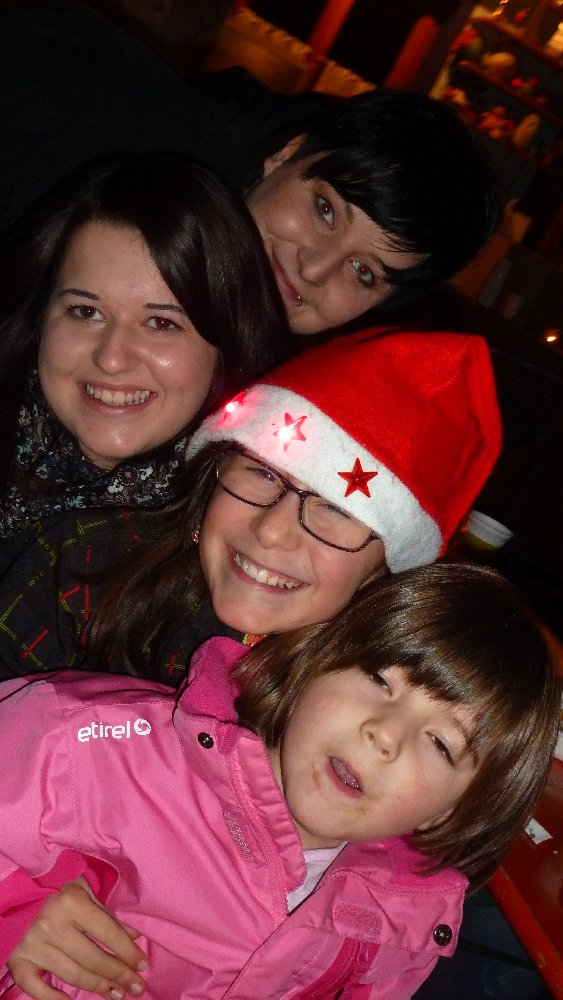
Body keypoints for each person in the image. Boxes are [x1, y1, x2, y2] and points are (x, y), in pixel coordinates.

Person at [0, 563, 559, 999]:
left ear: (450, 810)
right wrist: (15, 911)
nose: (386, 734)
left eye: (441, 743)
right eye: (378, 679)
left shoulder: (402, 925)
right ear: (314, 661)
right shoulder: (95, 742)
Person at [0, 327, 501, 684]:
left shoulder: (368, 705)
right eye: (262, 474)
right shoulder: (82, 567)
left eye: (337, 510)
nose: (272, 531)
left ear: (382, 572)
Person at [0, 3, 501, 336]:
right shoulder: (98, 112)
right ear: (287, 153)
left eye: (364, 272)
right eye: (326, 210)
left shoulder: (270, 385)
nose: (314, 269)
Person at [0, 152, 290, 537]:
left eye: (161, 323)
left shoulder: (241, 536)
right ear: (41, 313)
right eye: (86, 312)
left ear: (226, 346)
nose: (112, 358)